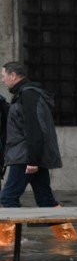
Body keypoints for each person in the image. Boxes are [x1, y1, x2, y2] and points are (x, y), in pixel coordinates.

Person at [0, 62, 63, 210]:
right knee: (46, 199)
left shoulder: (28, 95)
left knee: (8, 197)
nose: (3, 80)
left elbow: (34, 128)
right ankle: (69, 234)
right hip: (30, 155)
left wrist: (33, 160)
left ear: (13, 75)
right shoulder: (25, 93)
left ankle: (13, 234)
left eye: (3, 76)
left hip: (25, 156)